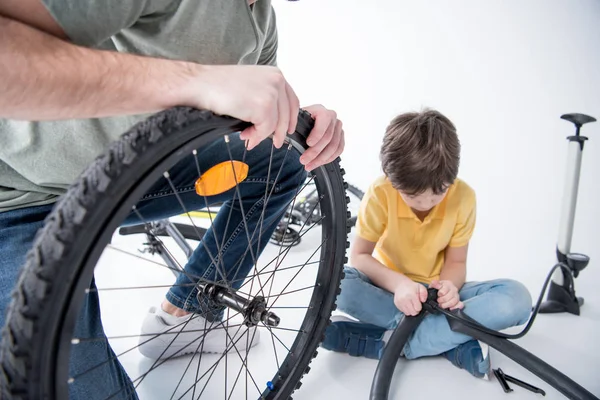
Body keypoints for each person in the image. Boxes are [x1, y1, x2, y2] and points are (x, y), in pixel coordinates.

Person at [0, 0, 344, 398]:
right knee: (50, 380)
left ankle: (187, 317)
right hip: (19, 199)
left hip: (120, 182)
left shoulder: (261, 22)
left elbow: (246, 123)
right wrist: (191, 80)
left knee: (282, 161)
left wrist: (301, 125)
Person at [321, 109, 532, 379]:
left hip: (437, 298)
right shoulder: (380, 192)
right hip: (390, 292)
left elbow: (456, 262)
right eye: (412, 196)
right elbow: (360, 256)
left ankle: (388, 343)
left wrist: (448, 289)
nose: (426, 203)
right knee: (338, 282)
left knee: (517, 299)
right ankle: (449, 345)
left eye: (439, 193)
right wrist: (400, 285)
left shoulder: (464, 197)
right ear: (391, 179)